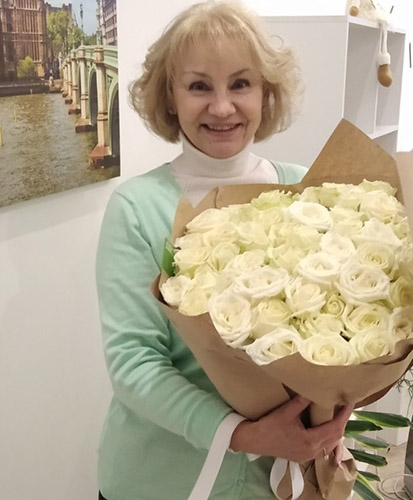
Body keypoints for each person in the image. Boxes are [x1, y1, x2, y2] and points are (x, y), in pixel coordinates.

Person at [95, 2, 354, 499]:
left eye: (240, 84)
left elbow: (341, 331)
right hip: (159, 482)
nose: (221, 107)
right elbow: (134, 363)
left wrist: (333, 413)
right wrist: (242, 435)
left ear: (265, 94)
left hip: (274, 484)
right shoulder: (137, 207)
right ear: (170, 98)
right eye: (199, 86)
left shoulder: (306, 191)